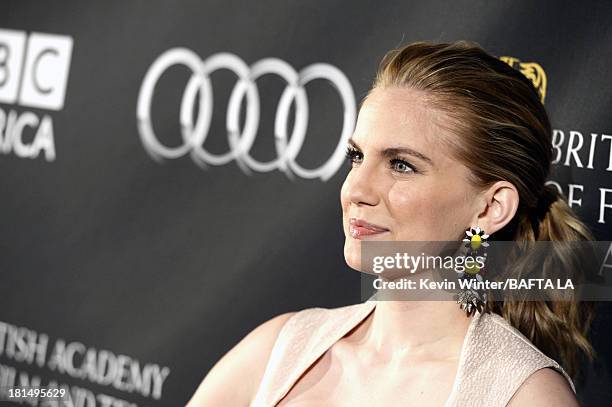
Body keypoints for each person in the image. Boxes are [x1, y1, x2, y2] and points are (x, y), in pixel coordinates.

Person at [186, 41, 596, 406]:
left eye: (401, 165)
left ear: (490, 208)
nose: (356, 189)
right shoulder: (280, 348)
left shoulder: (523, 396)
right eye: (357, 156)